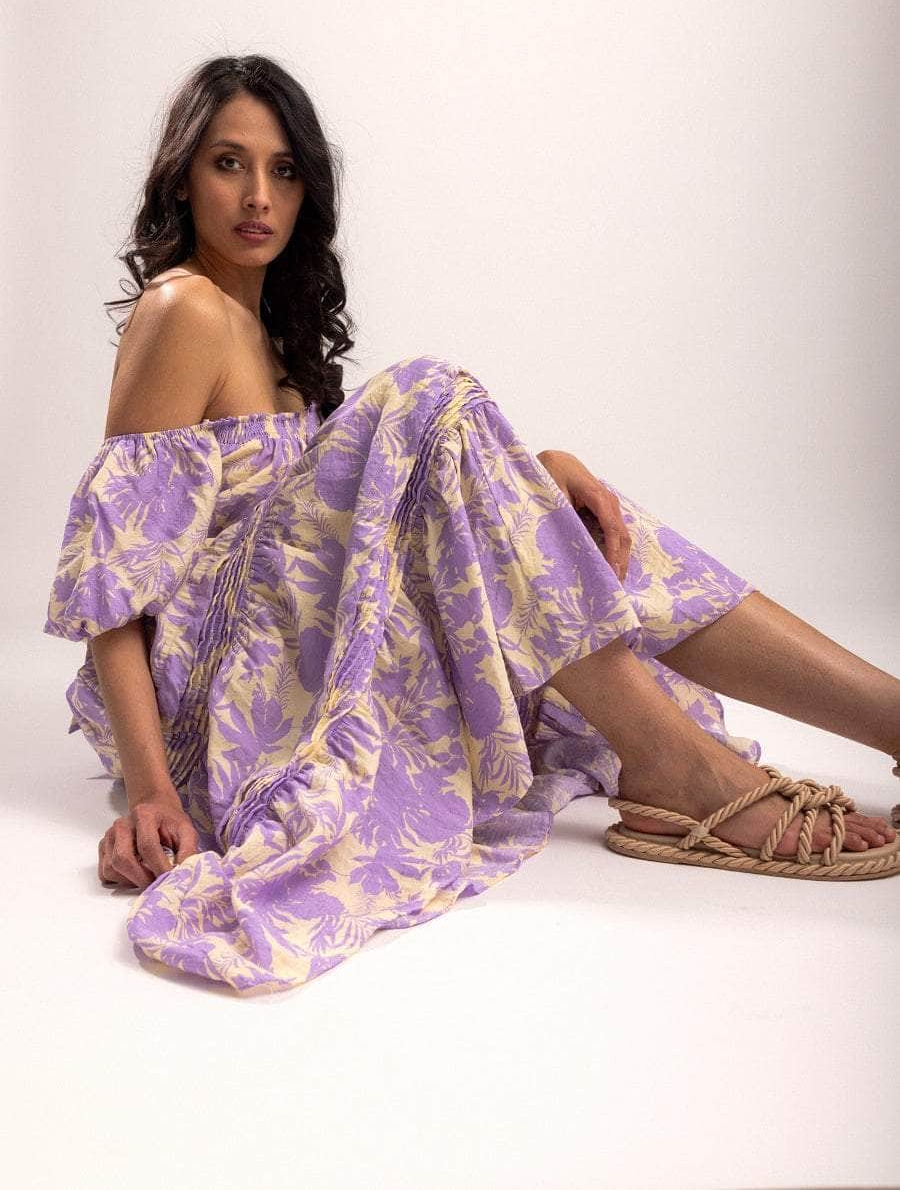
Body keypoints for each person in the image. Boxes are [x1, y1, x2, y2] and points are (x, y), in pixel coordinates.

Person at [43, 54, 900, 995]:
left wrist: (532, 476)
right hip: (209, 702)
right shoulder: (183, 308)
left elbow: (353, 516)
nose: (258, 196)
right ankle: (676, 766)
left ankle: (892, 717)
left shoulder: (271, 328)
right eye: (228, 163)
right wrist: (153, 791)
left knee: (574, 521)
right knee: (428, 393)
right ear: (182, 177)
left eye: (283, 170)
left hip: (298, 650)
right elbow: (112, 583)